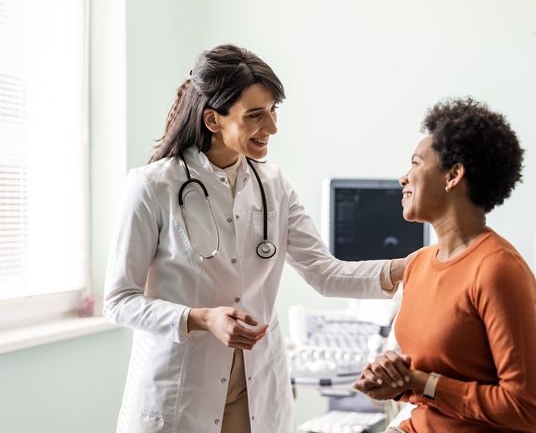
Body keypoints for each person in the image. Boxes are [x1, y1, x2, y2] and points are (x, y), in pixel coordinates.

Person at [103, 44, 410, 433]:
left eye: (273, 110)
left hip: (256, 391)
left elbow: (323, 272)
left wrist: (412, 268)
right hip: (181, 392)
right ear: (213, 119)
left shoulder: (273, 184)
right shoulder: (153, 186)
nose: (272, 127)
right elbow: (119, 301)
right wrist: (201, 318)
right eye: (255, 115)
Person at [352, 97, 536, 432]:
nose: (404, 177)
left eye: (416, 163)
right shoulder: (418, 265)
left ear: (454, 175)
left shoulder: (498, 270)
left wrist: (422, 383)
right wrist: (398, 380)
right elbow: (434, 378)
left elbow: (526, 409)